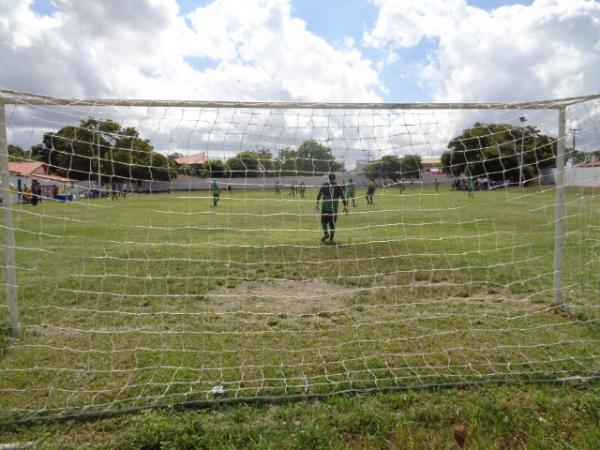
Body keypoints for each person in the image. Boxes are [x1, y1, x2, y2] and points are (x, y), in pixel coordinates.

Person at [316, 173, 348, 244]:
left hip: (325, 208)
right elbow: (342, 197)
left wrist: (317, 204)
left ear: (328, 178)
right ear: (335, 178)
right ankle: (331, 238)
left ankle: (326, 234)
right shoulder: (338, 186)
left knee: (323, 222)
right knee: (332, 224)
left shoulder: (325, 185)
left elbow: (319, 195)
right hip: (334, 209)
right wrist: (345, 206)